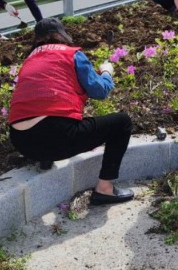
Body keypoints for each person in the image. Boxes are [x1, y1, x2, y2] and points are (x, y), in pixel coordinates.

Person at [8, 17, 134, 205]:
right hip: (58, 137)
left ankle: (45, 159)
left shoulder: (29, 60)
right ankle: (105, 189)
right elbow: (99, 91)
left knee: (48, 116)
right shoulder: (71, 54)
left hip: (21, 141)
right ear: (61, 35)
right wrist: (107, 72)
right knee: (122, 122)